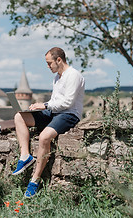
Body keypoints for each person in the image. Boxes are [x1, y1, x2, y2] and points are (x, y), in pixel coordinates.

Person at [12, 47, 85, 198]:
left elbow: (67, 103)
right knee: (19, 116)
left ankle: (35, 180)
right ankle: (25, 156)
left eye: (49, 63)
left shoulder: (74, 75)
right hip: (54, 111)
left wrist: (44, 106)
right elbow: (55, 102)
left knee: (44, 137)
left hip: (69, 114)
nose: (48, 66)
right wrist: (39, 105)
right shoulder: (57, 77)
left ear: (59, 60)